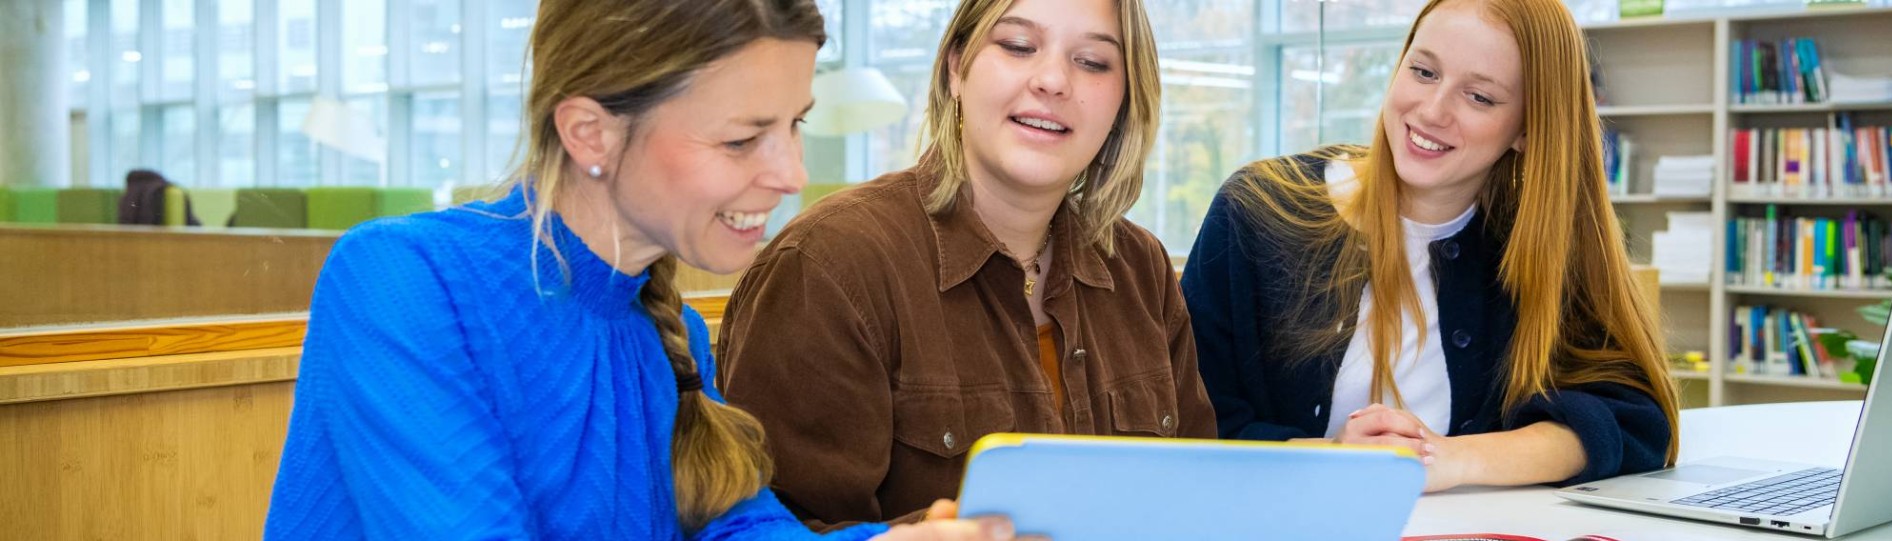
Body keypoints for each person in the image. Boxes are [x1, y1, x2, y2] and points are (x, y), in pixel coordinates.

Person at [263, 1, 1019, 539]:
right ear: (590, 131)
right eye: (742, 140)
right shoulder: (401, 282)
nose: (792, 172)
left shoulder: (671, 331)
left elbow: (739, 525)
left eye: (795, 125)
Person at [718, 0, 1214, 531]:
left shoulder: (1140, 268)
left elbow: (1199, 501)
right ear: (957, 68)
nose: (1053, 80)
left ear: (1125, 97)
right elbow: (772, 528)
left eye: (1093, 61)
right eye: (1018, 46)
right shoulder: (830, 265)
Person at [1180, 0, 1679, 493]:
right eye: (1422, 72)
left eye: (1480, 97)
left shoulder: (1533, 245)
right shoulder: (1258, 209)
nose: (1433, 111)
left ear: (1528, 127)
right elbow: (1188, 423)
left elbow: (1636, 422)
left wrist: (1450, 458)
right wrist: (1329, 457)